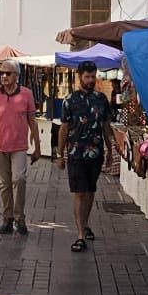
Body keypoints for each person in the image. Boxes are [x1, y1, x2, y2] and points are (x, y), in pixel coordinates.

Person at [56, 62, 121, 252]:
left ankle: (85, 224)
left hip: (96, 153)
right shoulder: (70, 100)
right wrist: (60, 154)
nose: (91, 80)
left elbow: (106, 126)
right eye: (87, 77)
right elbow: (64, 128)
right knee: (80, 192)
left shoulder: (101, 99)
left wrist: (110, 149)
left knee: (91, 191)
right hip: (76, 153)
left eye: (93, 76)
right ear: (80, 77)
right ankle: (80, 235)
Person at [0, 62, 41, 235]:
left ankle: (20, 218)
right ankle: (8, 218)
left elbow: (32, 122)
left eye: (8, 73)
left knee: (19, 179)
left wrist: (38, 146)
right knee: (4, 184)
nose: (4, 76)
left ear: (16, 75)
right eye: (1, 73)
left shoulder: (26, 94)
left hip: (19, 146)